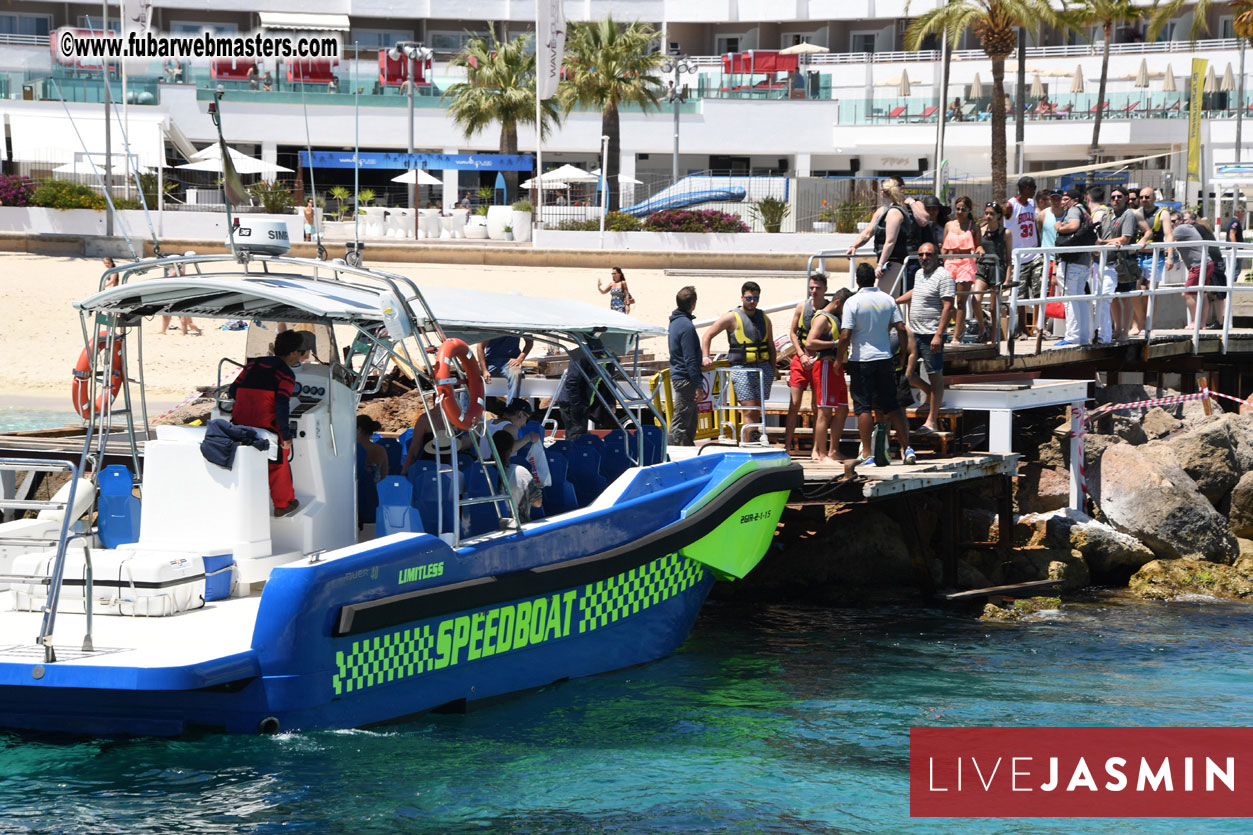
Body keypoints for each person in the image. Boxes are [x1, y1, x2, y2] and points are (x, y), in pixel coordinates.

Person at [837, 264, 915, 465]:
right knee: (892, 405)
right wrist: (903, 355)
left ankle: (868, 454)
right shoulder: (887, 299)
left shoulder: (852, 302)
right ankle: (907, 449)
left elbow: (845, 335)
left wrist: (839, 359)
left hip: (861, 360)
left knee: (863, 408)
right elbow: (901, 329)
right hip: (884, 358)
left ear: (858, 280)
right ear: (874, 279)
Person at [229, 329, 303, 516]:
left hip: (239, 425)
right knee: (279, 464)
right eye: (301, 352)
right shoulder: (285, 374)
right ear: (293, 353)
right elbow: (281, 405)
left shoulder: (252, 366)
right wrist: (286, 436)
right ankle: (283, 505)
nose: (302, 357)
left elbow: (232, 390)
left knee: (246, 463)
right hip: (266, 426)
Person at [701, 281, 777, 440]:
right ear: (742, 297)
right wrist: (705, 356)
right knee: (749, 409)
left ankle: (754, 440)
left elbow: (770, 345)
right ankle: (750, 443)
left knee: (757, 409)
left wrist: (773, 368)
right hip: (742, 368)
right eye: (749, 298)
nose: (752, 302)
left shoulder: (764, 317)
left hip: (762, 368)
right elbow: (707, 335)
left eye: (755, 299)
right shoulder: (731, 317)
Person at [895, 243, 955, 433]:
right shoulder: (919, 274)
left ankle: (932, 420)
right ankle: (928, 393)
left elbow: (948, 306)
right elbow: (917, 293)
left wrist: (938, 335)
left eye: (928, 254)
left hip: (931, 334)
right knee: (904, 370)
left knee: (934, 373)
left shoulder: (943, 276)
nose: (924, 257)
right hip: (914, 332)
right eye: (921, 254)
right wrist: (895, 301)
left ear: (936, 256)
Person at [802, 287, 854, 462]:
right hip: (824, 366)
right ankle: (822, 453)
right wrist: (834, 344)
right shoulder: (823, 318)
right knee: (824, 412)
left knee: (842, 409)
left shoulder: (834, 318)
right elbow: (810, 342)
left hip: (836, 367)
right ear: (838, 302)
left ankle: (833, 450)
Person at [784, 273, 829, 452]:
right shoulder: (801, 307)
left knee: (817, 406)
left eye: (817, 288)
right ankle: (786, 446)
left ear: (825, 289)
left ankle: (817, 449)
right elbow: (793, 333)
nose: (814, 291)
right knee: (794, 404)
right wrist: (802, 355)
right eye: (811, 287)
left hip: (820, 361)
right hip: (800, 359)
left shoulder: (829, 309)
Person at [845, 179, 912, 294]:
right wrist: (854, 246)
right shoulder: (883, 211)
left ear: (882, 193)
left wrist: (880, 264)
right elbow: (868, 232)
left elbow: (890, 241)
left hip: (894, 261)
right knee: (891, 302)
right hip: (887, 261)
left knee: (882, 297)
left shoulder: (894, 212)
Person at [1096, 187, 1140, 342]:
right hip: (1106, 261)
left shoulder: (1129, 214)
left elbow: (1125, 239)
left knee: (1126, 298)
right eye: (1113, 197)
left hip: (1123, 263)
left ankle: (1125, 331)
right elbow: (1101, 235)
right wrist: (1105, 242)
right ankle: (1117, 329)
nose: (1115, 199)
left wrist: (1102, 242)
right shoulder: (1107, 214)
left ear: (1126, 198)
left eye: (1119, 196)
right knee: (1112, 298)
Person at [1054, 187, 1094, 347]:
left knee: (1070, 300)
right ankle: (1083, 337)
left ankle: (1071, 337)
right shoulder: (1086, 211)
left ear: (1074, 200)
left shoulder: (1073, 211)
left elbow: (1073, 226)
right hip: (1084, 262)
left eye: (1065, 199)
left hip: (1071, 262)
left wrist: (1058, 227)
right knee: (1080, 299)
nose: (1062, 202)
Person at [1173, 211, 1227, 330]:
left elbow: (1168, 240)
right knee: (1205, 293)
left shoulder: (1187, 228)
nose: (1172, 224)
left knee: (1189, 294)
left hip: (1204, 263)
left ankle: (1200, 322)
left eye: (1185, 219)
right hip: (1210, 261)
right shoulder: (1199, 227)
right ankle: (1204, 323)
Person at [1134, 188, 1175, 337]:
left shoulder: (1162, 213)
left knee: (1151, 291)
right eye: (1141, 197)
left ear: (1154, 198)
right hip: (1138, 256)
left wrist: (1170, 256)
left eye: (1147, 197)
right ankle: (1138, 323)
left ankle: (1148, 324)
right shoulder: (1137, 213)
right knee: (1135, 289)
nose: (1144, 199)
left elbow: (1168, 235)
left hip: (1155, 257)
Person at [667, 285, 705, 447]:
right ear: (693, 304)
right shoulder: (686, 327)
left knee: (690, 420)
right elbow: (690, 359)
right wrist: (698, 385)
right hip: (685, 378)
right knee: (681, 420)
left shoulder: (674, 323)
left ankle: (687, 451)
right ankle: (668, 454)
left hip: (679, 375)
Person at [1005, 176, 1041, 337]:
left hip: (1034, 254)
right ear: (1026, 188)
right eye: (1033, 187)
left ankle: (1040, 327)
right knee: (1020, 295)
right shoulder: (1011, 205)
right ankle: (1022, 328)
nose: (1034, 190)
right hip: (1017, 257)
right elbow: (999, 211)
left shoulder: (1032, 204)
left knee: (1040, 290)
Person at [971, 202, 1009, 341]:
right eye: (986, 213)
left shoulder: (1005, 233)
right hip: (982, 267)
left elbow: (1008, 258)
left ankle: (994, 338)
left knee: (994, 308)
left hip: (997, 269)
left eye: (991, 213)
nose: (988, 216)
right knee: (975, 300)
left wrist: (1007, 278)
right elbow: (975, 247)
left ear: (998, 215)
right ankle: (982, 328)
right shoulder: (980, 230)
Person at [942, 195, 978, 339]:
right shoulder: (949, 225)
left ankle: (957, 336)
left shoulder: (973, 226)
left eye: (963, 209)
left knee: (961, 301)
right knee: (946, 301)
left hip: (966, 264)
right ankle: (960, 325)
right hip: (950, 263)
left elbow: (978, 244)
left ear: (969, 210)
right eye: (957, 208)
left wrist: (980, 249)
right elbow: (944, 248)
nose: (960, 211)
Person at [492, 430, 543, 525]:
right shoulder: (520, 472)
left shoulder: (476, 470)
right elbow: (537, 503)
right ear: (511, 450)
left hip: (484, 527)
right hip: (514, 526)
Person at [476, 334, 533, 403]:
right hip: (491, 361)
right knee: (470, 376)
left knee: (516, 374)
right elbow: (480, 346)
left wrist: (520, 359)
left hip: (510, 361)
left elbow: (529, 341)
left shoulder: (519, 324)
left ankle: (511, 408)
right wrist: (484, 370)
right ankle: (465, 409)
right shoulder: (492, 326)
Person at [161, 253, 204, 336]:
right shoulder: (179, 271)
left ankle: (185, 332)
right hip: (180, 295)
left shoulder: (174, 272)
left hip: (177, 296)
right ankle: (187, 331)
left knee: (183, 317)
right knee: (184, 317)